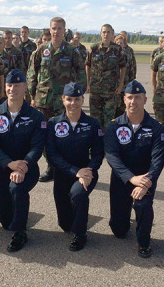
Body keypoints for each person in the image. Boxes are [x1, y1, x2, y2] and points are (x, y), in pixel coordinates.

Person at [104, 80, 164, 258]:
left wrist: (146, 183)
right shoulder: (114, 126)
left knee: (143, 205)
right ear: (124, 99)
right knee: (118, 231)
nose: (133, 102)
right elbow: (112, 157)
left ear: (145, 100)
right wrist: (131, 178)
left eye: (137, 98)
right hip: (121, 179)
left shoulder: (156, 128)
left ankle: (144, 241)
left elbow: (157, 161)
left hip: (145, 180)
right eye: (130, 97)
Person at [0, 69, 46, 252]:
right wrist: (10, 164)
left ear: (25, 87)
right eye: (9, 85)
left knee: (17, 188)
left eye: (17, 85)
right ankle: (19, 214)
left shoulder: (36, 117)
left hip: (28, 168)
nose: (12, 89)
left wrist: (22, 166)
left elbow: (37, 147)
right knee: (5, 221)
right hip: (5, 169)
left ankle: (20, 233)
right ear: (5, 87)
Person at [27, 17, 86, 182]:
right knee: (44, 136)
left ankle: (65, 167)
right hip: (43, 101)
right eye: (54, 28)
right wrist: (32, 96)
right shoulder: (41, 50)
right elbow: (32, 73)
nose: (56, 31)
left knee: (64, 135)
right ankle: (51, 167)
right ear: (50, 29)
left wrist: (77, 98)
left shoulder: (72, 51)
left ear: (64, 30)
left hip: (64, 103)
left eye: (59, 28)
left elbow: (81, 75)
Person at [46, 82, 104, 251]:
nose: (73, 103)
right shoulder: (53, 123)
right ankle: (77, 215)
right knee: (65, 225)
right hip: (63, 174)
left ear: (82, 100)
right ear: (63, 100)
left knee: (78, 194)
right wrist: (74, 171)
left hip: (86, 173)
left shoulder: (92, 123)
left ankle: (80, 234)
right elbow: (52, 154)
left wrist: (89, 171)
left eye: (77, 99)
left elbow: (98, 154)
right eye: (69, 99)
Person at [86, 23, 126, 131]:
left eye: (108, 32)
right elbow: (88, 65)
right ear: (100, 33)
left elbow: (123, 67)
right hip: (95, 89)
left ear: (112, 34)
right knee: (95, 119)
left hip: (111, 91)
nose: (106, 34)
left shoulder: (117, 49)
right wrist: (88, 83)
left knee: (109, 119)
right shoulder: (93, 48)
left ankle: (107, 139)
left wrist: (121, 85)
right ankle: (96, 140)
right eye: (104, 32)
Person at [114, 33, 137, 117]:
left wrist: (132, 78)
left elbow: (132, 65)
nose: (119, 44)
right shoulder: (113, 53)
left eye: (121, 43)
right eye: (118, 42)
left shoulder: (128, 52)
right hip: (114, 82)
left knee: (123, 104)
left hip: (126, 81)